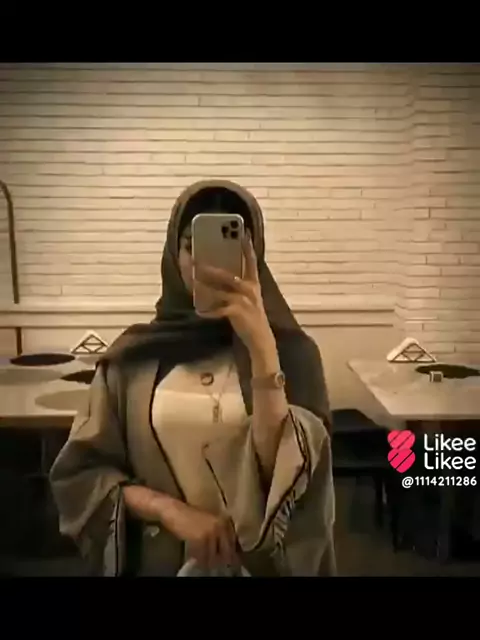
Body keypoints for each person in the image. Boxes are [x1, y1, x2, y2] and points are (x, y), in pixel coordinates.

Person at [49, 179, 336, 577]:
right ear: (174, 254)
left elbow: (290, 479)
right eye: (191, 246)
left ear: (255, 254)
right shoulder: (134, 357)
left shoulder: (293, 354)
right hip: (162, 562)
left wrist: (262, 350)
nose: (207, 264)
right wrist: (166, 509)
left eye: (234, 246)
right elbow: (82, 473)